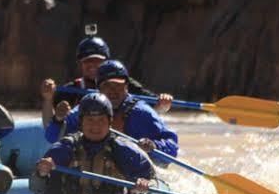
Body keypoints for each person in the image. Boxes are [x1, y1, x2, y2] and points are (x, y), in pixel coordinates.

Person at [21, 92, 155, 194]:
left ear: (110, 121)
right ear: (81, 122)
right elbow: (36, 187)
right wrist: (42, 173)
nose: (95, 127)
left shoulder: (125, 150)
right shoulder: (65, 148)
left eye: (101, 120)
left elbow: (153, 182)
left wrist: (142, 186)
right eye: (90, 120)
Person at [45, 59, 179, 158]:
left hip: (132, 170)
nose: (114, 92)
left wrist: (154, 146)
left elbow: (172, 146)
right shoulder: (86, 108)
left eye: (119, 86)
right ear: (99, 88)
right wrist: (58, 119)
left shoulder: (141, 112)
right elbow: (52, 137)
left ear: (127, 87)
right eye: (108, 86)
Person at [40, 36, 172, 126]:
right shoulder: (70, 90)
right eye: (88, 61)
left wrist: (163, 104)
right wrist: (48, 98)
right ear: (80, 63)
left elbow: (155, 107)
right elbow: (49, 125)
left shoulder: (123, 82)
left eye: (98, 61)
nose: (93, 65)